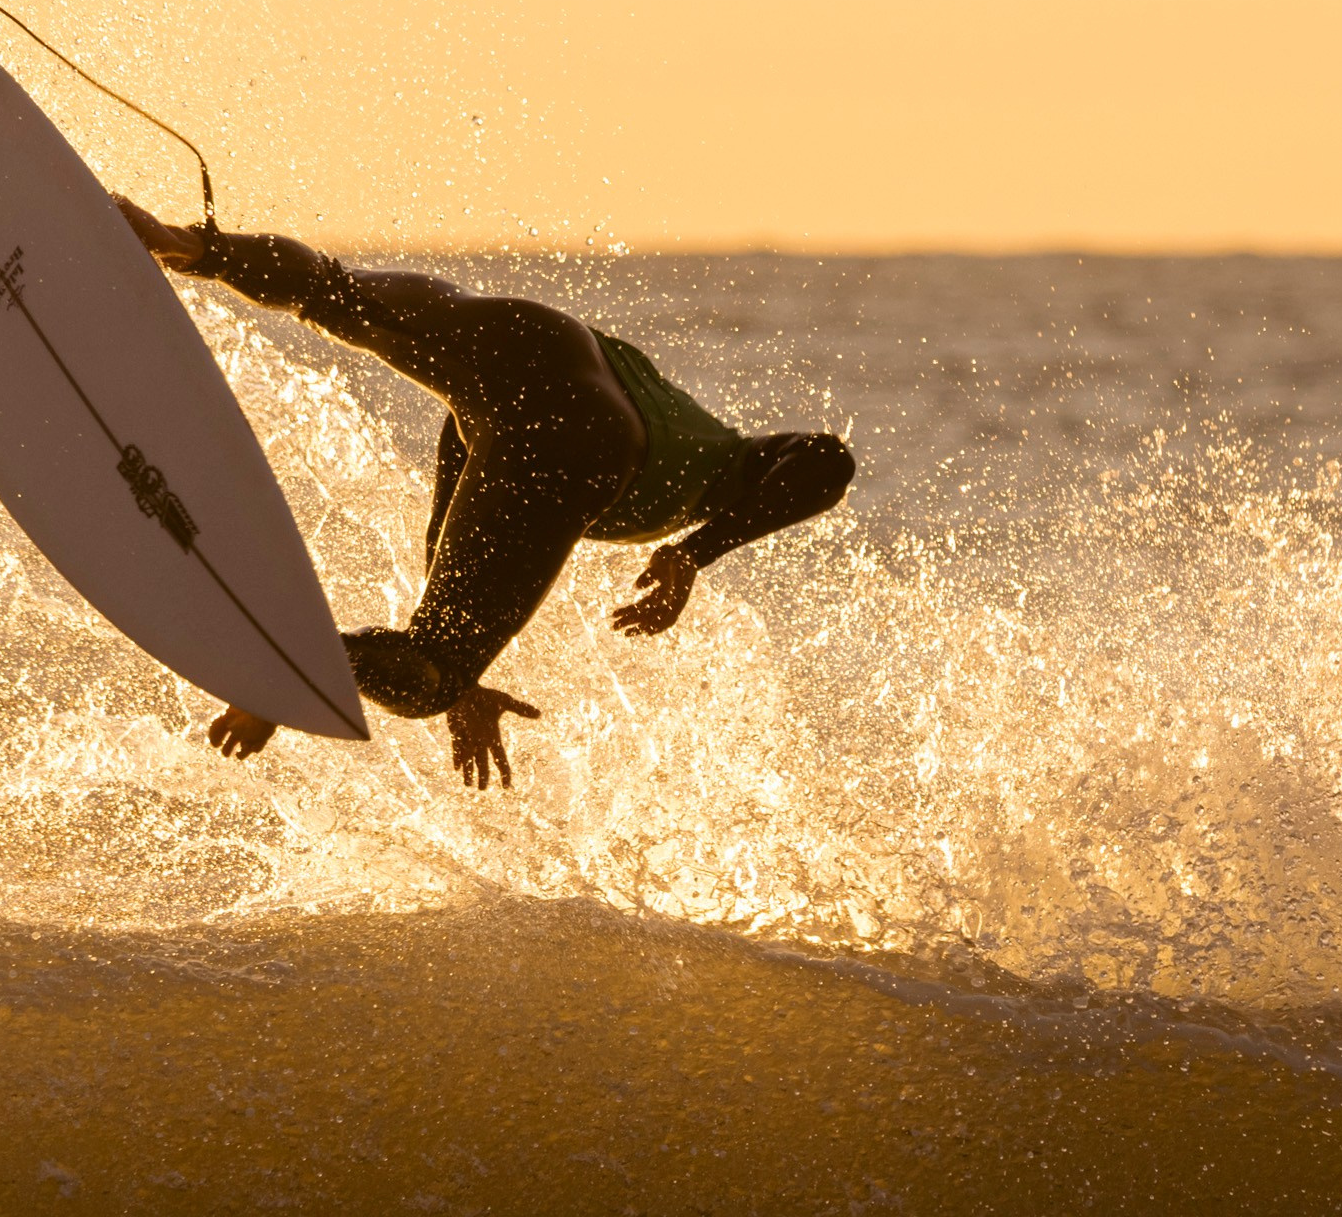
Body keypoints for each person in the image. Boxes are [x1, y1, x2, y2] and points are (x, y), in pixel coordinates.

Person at [118, 200, 854, 789]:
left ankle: (177, 242)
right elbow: (828, 460)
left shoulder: (710, 436)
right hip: (582, 447)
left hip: (540, 342)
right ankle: (297, 669)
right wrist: (692, 555)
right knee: (427, 682)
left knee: (331, 291)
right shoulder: (713, 476)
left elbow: (460, 524)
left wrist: (460, 658)